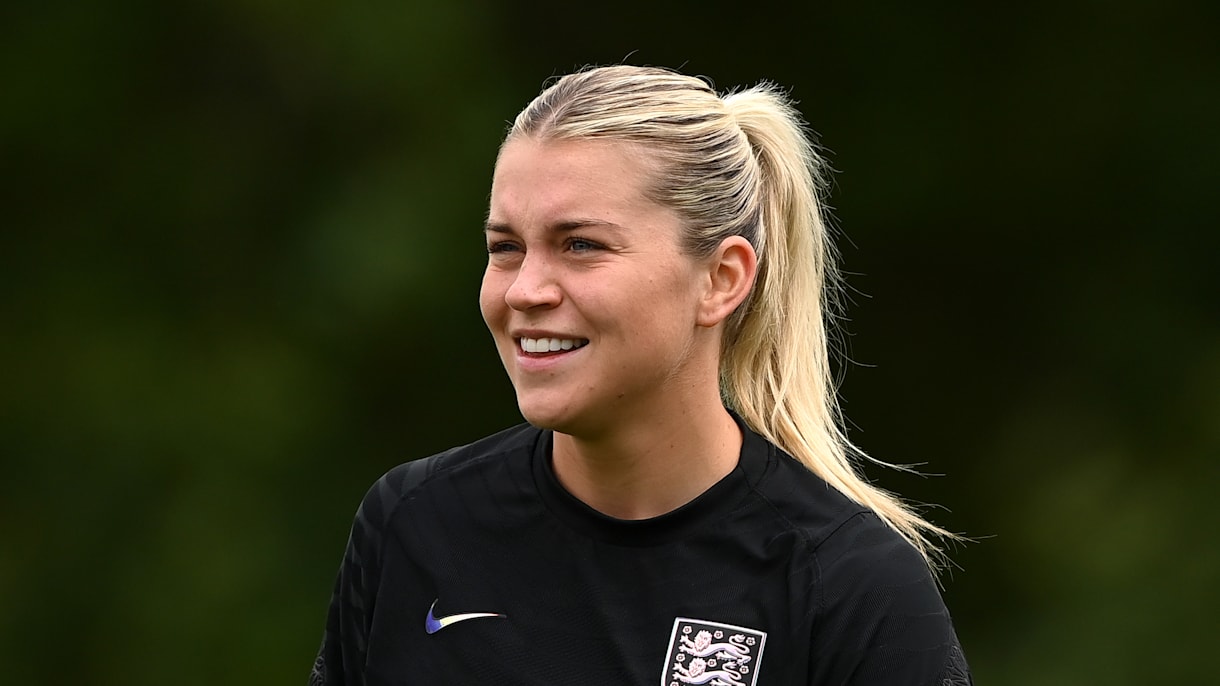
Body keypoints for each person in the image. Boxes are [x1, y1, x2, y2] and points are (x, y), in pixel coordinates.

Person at [311, 65, 972, 685]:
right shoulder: (414, 524)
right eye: (506, 248)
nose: (524, 290)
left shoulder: (850, 588)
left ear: (721, 279)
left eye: (581, 245)